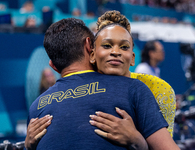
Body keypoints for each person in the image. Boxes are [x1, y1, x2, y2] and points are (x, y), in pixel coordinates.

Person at [25, 17, 179, 150]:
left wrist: (28, 146)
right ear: (89, 47)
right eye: (107, 45)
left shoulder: (36, 109)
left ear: (53, 65)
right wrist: (139, 143)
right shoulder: (134, 88)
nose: (115, 52)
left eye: (124, 47)